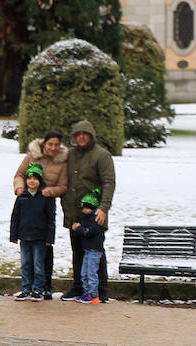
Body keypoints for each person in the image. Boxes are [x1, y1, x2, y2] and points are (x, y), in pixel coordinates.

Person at [59, 120, 115, 302]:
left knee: (96, 252)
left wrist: (104, 208)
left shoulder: (102, 155)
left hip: (94, 214)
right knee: (77, 250)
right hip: (74, 213)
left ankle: (101, 290)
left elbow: (109, 182)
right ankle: (78, 287)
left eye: (85, 134)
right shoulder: (70, 154)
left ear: (91, 136)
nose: (81, 137)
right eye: (78, 134)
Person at [10, 130, 68, 298]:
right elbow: (19, 175)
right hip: (29, 199)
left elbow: (63, 186)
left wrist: (51, 191)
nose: (53, 148)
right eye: (50, 144)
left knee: (44, 255)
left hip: (46, 202)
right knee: (28, 260)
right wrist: (19, 188)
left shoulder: (62, 162)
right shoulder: (32, 156)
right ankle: (28, 287)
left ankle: (43, 287)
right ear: (44, 144)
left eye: (56, 145)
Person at [8, 162, 55, 301]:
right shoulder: (22, 197)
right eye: (29, 178)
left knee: (38, 265)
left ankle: (38, 289)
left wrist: (49, 238)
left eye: (35, 178)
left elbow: (50, 219)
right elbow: (15, 217)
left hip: (39, 238)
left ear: (40, 181)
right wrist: (14, 235)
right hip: (24, 236)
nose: (32, 181)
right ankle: (26, 288)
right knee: (25, 264)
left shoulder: (46, 198)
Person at [69, 191, 106, 304]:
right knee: (84, 273)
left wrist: (78, 228)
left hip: (94, 251)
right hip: (87, 250)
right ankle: (87, 292)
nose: (84, 210)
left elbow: (88, 232)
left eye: (87, 208)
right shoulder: (85, 219)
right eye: (83, 208)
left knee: (91, 273)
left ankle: (93, 294)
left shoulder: (96, 220)